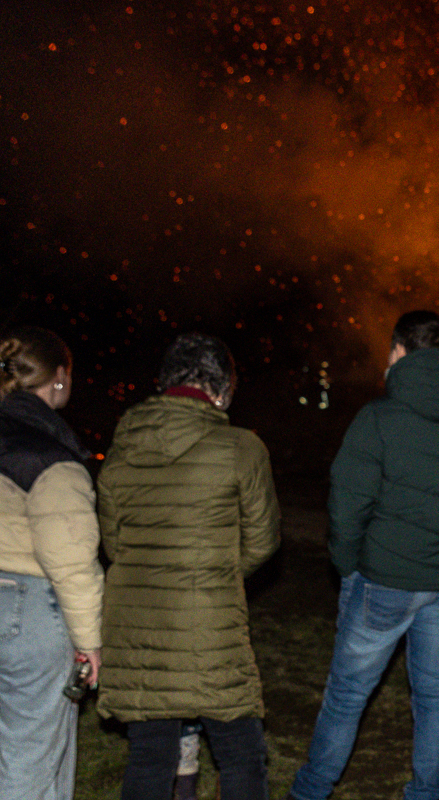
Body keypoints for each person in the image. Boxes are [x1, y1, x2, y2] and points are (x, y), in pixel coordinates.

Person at [288, 311, 439, 800]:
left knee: (346, 697)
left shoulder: (378, 419)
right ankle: (426, 793)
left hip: (382, 578)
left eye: (389, 350)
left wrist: (348, 564)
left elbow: (346, 504)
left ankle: (308, 793)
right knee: (432, 697)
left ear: (402, 352)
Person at [97, 332, 281, 800]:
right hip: (208, 624)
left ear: (163, 384)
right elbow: (262, 540)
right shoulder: (241, 447)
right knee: (241, 752)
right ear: (222, 391)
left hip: (136, 622)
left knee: (150, 755)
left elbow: (114, 542)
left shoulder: (121, 447)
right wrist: (211, 570)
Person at [0, 327, 103, 800]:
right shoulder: (51, 457)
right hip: (25, 615)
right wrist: (89, 644)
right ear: (59, 378)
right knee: (31, 758)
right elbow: (73, 564)